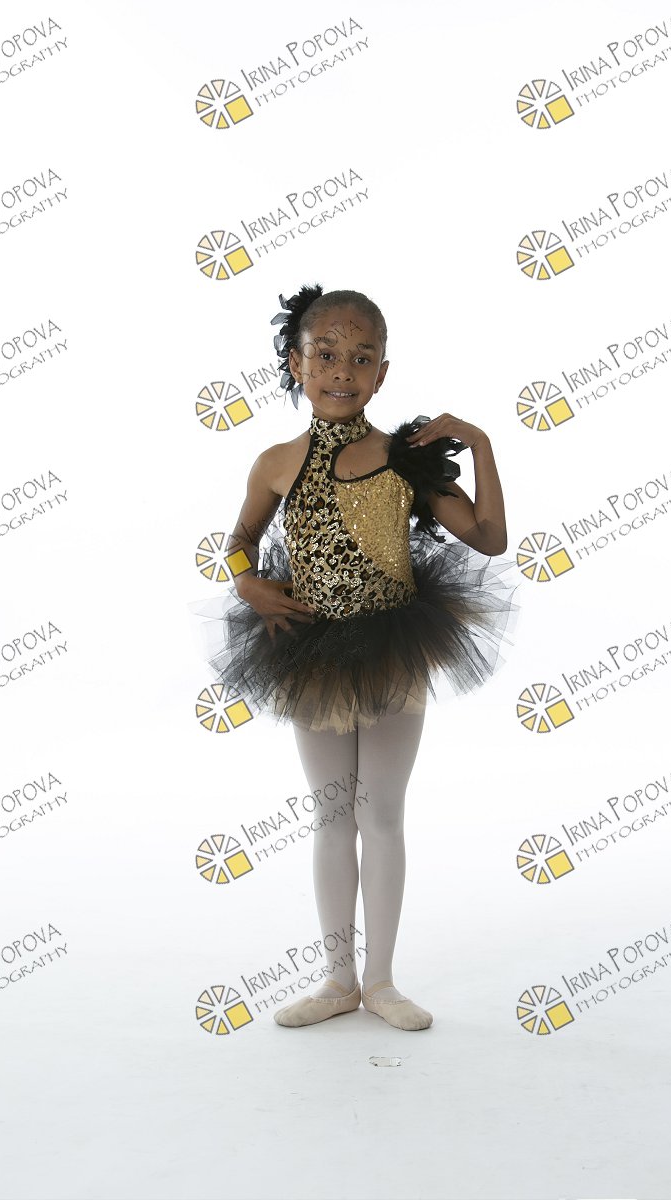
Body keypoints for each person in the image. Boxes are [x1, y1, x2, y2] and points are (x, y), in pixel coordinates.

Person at [190, 283, 520, 1030]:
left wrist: (483, 445)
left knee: (382, 815)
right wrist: (247, 583)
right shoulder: (276, 462)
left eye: (361, 358)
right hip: (310, 653)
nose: (342, 370)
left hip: (394, 647)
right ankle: (338, 978)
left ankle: (382, 980)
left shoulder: (406, 459)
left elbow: (490, 538)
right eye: (326, 354)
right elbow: (239, 540)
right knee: (332, 815)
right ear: (296, 363)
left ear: (383, 372)